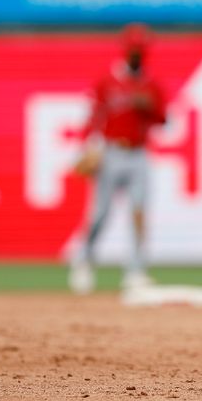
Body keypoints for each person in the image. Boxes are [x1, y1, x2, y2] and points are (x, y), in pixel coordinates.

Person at [69, 24, 168, 296]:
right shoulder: (108, 81)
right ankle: (84, 261)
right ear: (126, 51)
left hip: (138, 153)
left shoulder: (151, 84)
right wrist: (89, 148)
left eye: (141, 50)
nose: (137, 54)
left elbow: (163, 119)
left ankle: (135, 271)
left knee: (138, 211)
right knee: (100, 214)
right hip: (111, 152)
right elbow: (94, 116)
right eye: (134, 49)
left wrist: (148, 106)